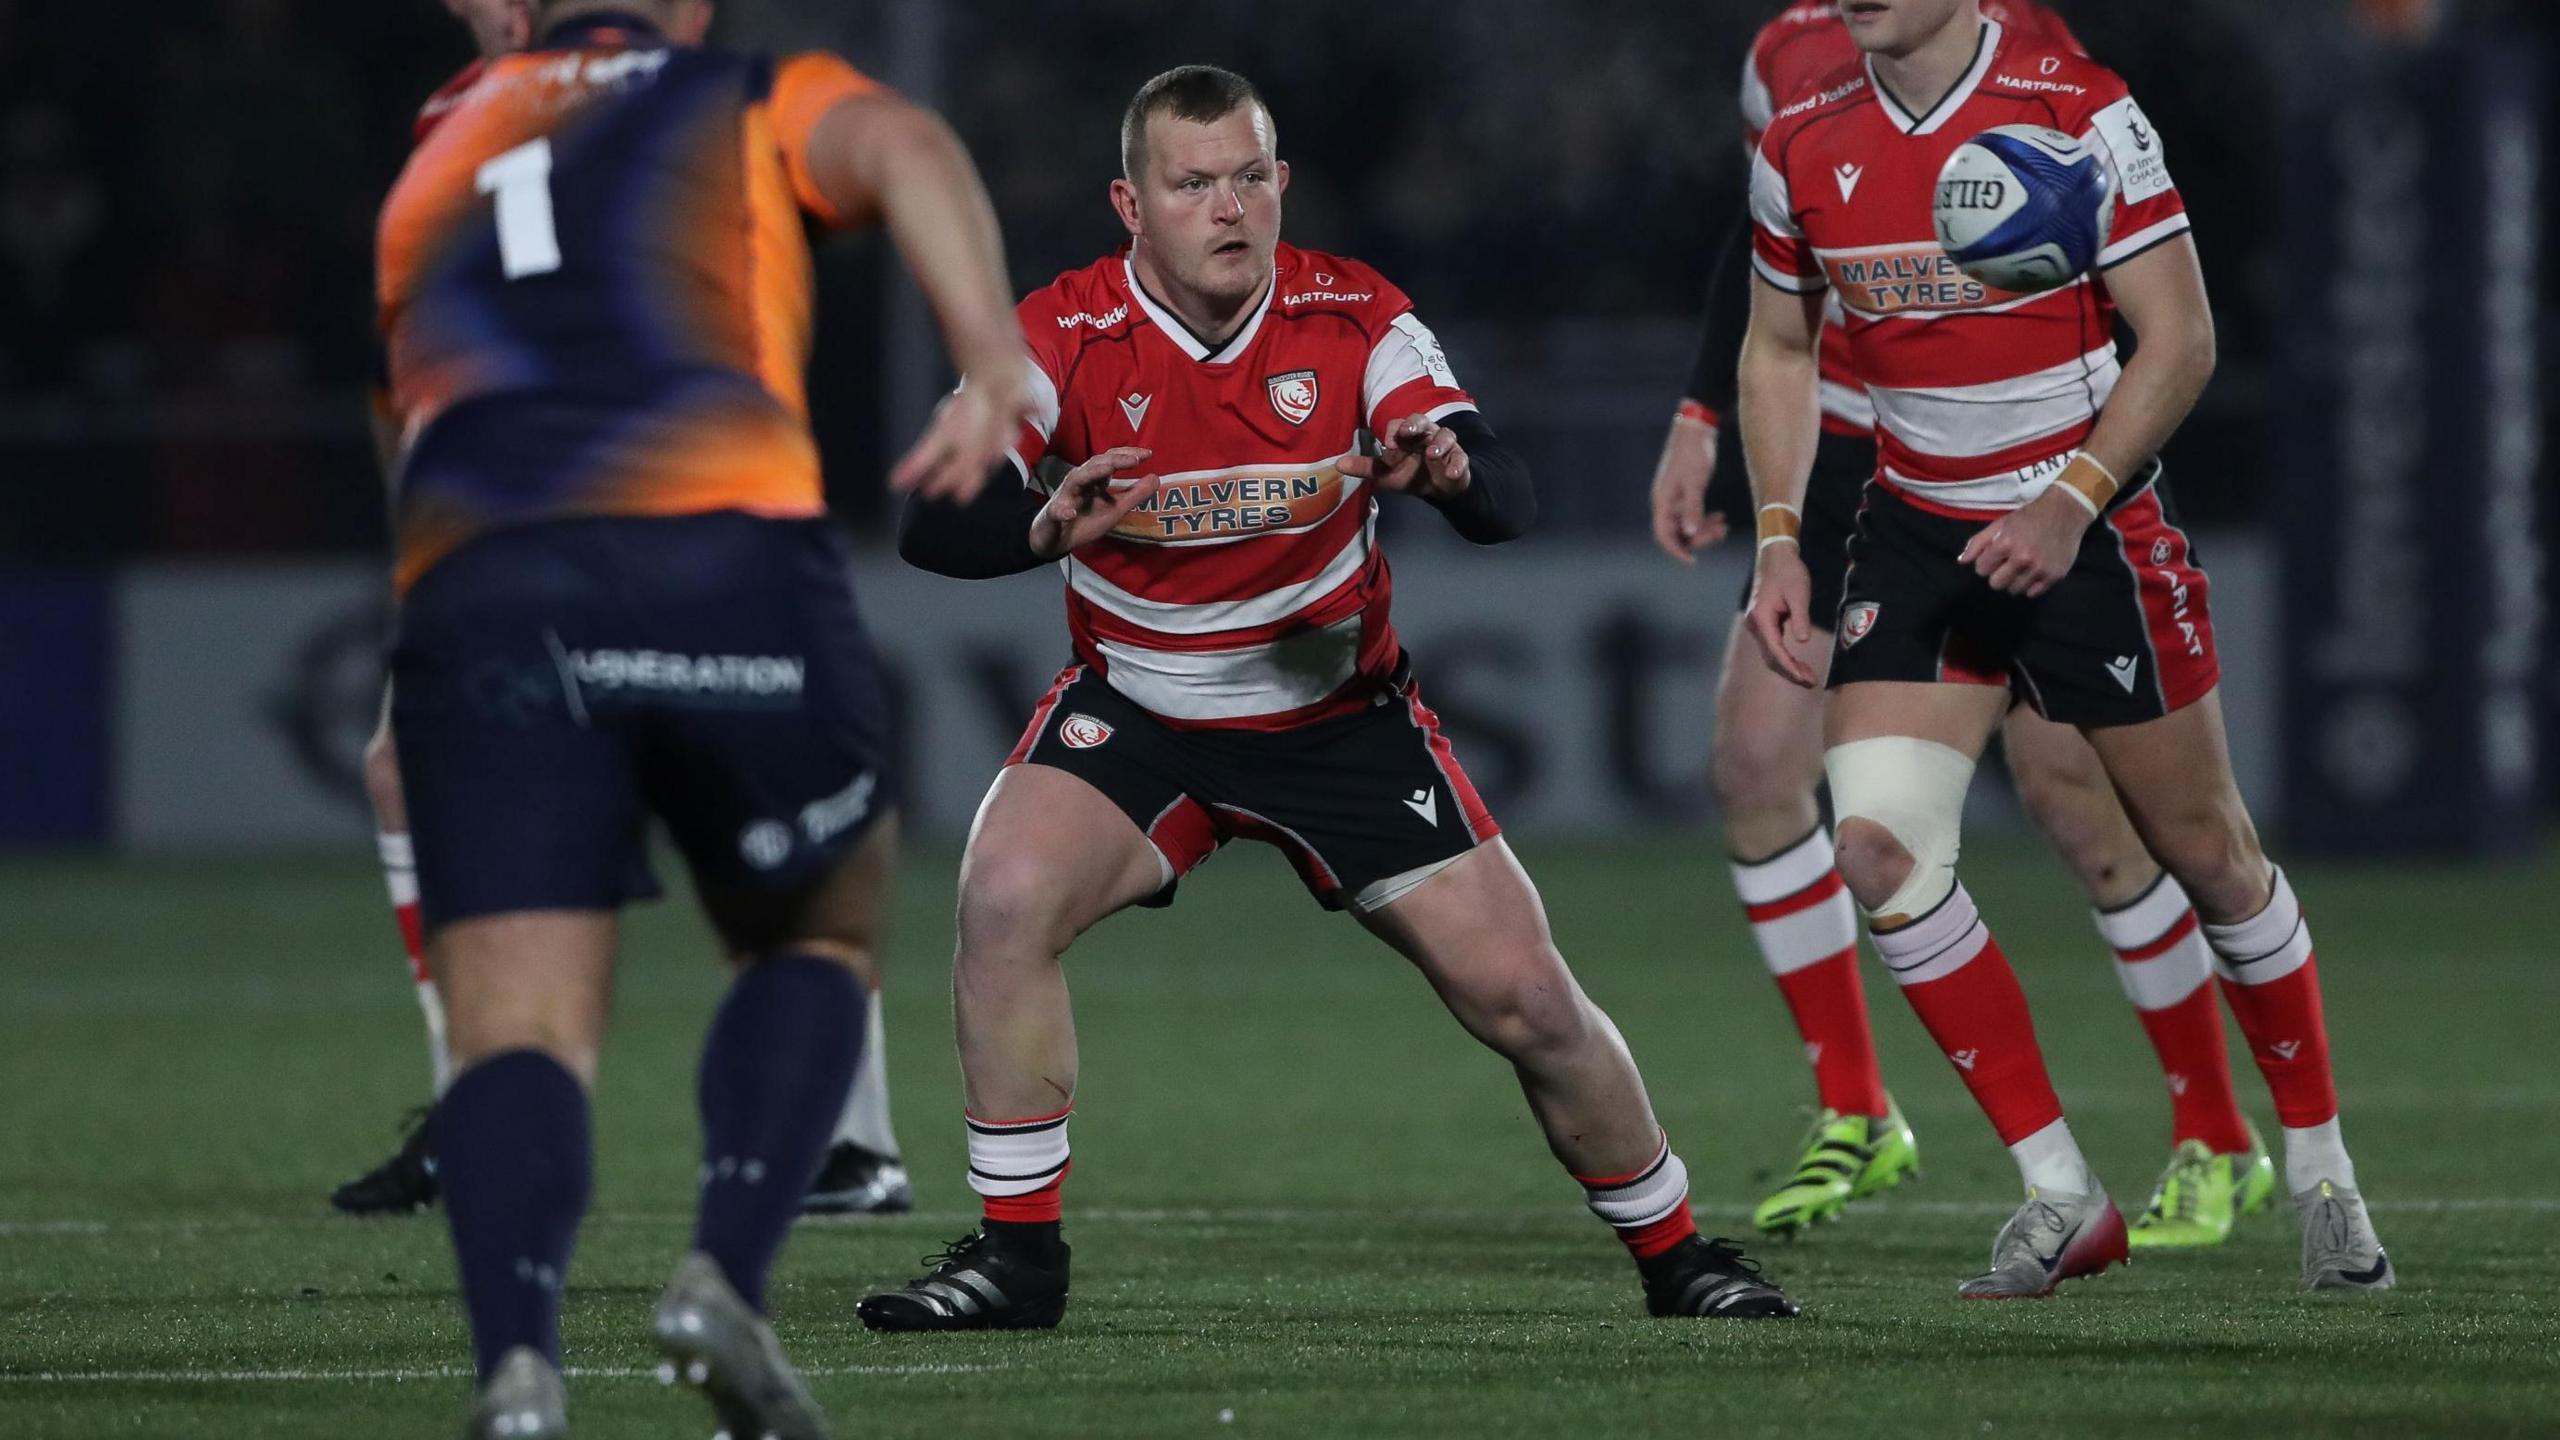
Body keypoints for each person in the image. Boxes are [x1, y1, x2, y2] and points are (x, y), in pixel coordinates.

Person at [866, 64, 1799, 1332]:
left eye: (1250, 176)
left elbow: (1503, 501)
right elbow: (928, 522)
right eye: (1192, 184)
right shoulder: (1059, 332)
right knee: (1003, 893)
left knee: (1526, 1000)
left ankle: (1680, 1252)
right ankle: (1018, 1261)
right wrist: (1040, 532)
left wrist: (1452, 477)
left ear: (1282, 183)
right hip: (1141, 715)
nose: (1228, 206)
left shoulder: (1352, 315)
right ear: (1129, 204)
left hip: (1337, 725)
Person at [372, 1, 1029, 1433]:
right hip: (718, 552)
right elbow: (910, 144)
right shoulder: (747, 94)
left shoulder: (442, 141)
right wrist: (992, 359)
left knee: (518, 1034)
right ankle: (722, 1280)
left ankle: (519, 1375)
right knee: (818, 925)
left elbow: (404, 412)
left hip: (487, 585)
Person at [1738, 0, 2393, 1298]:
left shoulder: (2076, 109)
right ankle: (2062, 1194)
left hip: (2088, 528)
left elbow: (2183, 338)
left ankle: (2323, 1175)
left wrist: (2068, 500)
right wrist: (1775, 539)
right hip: (1917, 533)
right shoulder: (1803, 140)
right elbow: (1775, 344)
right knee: (1874, 852)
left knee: (2208, 854)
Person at [1647, 0, 2272, 1248]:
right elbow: (1767, 246)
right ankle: (1858, 1111)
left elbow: (2117, 261)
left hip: (2006, 452)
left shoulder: (2017, 48)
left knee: (2076, 802)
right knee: (1754, 763)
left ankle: (2214, 1132)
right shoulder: (1783, 56)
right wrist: (1700, 416)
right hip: (1839, 459)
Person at [333, 0, 912, 1224]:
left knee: (783, 853)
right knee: (403, 771)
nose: (494, 14)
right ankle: (473, 1104)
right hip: (521, 515)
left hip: (668, 490)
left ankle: (851, 1140)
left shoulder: (666, 91)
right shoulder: (472, 116)